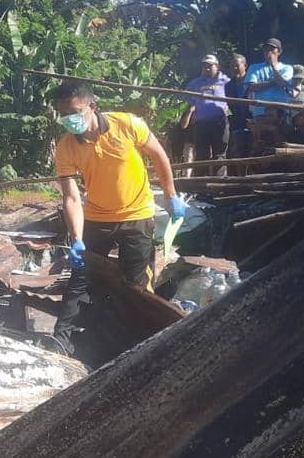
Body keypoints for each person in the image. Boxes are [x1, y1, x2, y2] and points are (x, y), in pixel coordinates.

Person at [50, 80, 184, 358]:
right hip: (97, 217)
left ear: (92, 107)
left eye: (74, 112)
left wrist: (171, 195)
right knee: (81, 279)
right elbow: (72, 198)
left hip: (137, 216)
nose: (69, 120)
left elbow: (159, 155)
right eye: (63, 114)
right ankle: (62, 342)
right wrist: (76, 239)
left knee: (135, 286)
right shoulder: (65, 147)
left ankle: (136, 345)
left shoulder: (127, 124)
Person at [182, 54, 229, 176]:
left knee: (219, 154)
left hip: (220, 121)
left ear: (217, 66)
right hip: (201, 123)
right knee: (202, 153)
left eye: (210, 66)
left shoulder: (225, 80)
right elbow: (188, 99)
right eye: (204, 66)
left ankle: (220, 184)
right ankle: (201, 186)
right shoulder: (195, 83)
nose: (207, 68)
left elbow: (233, 95)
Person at [244, 38, 293, 152]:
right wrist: (273, 83)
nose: (268, 52)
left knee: (281, 144)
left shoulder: (287, 68)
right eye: (266, 49)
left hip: (280, 114)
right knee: (260, 145)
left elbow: (283, 83)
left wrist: (273, 66)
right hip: (260, 114)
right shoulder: (254, 67)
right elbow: (251, 87)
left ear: (279, 51)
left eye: (272, 49)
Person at [225, 53, 252, 167]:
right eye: (232, 66)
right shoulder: (229, 85)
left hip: (253, 118)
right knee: (238, 150)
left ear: (245, 65)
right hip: (237, 121)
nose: (234, 68)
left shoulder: (253, 81)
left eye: (237, 65)